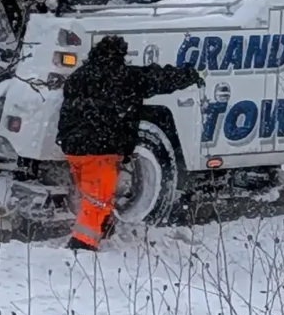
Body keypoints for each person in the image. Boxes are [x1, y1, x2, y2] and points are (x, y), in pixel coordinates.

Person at [56, 35, 202, 248]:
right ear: (119, 56)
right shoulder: (124, 77)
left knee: (91, 195)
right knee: (97, 201)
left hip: (74, 149)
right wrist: (189, 75)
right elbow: (159, 79)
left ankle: (103, 228)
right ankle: (82, 245)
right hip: (101, 150)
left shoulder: (79, 76)